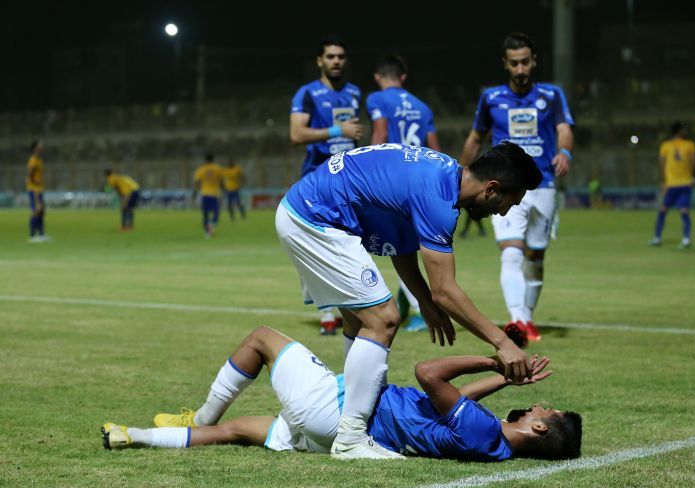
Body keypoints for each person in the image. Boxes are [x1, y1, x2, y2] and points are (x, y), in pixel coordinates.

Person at [269, 141, 542, 460]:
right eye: (510, 202)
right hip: (314, 218)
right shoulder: (439, 199)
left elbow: (399, 242)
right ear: (491, 188)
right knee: (383, 318)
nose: (504, 212)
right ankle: (351, 437)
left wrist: (424, 300)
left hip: (305, 210)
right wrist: (503, 343)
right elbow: (446, 290)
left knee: (359, 318)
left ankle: (360, 415)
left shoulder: (442, 175)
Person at [103, 325, 582, 463]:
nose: (539, 404)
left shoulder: (483, 431)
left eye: (545, 409)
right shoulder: (491, 443)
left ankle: (198, 416)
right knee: (237, 432)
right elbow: (462, 399)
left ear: (539, 427)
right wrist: (506, 378)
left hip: (343, 408)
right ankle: (135, 436)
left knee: (261, 338)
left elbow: (428, 372)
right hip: (332, 433)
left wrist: (495, 360)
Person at [459, 33, 574, 344]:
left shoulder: (552, 95)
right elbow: (475, 137)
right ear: (505, 64)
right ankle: (518, 320)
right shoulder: (491, 98)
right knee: (511, 253)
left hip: (543, 184)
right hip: (505, 187)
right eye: (514, 63)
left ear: (534, 61)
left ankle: (527, 317)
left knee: (535, 254)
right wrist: (459, 174)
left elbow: (564, 129)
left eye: (525, 62)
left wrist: (565, 151)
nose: (520, 68)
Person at [290, 35, 363, 335]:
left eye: (341, 57)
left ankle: (350, 306)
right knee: (313, 244)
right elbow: (297, 134)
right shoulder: (308, 93)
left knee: (349, 244)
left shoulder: (354, 92)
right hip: (316, 180)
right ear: (319, 60)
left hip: (347, 180)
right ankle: (327, 314)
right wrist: (337, 130)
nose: (336, 61)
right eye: (330, 56)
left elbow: (353, 136)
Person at [366, 53, 441, 333]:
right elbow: (434, 148)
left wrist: (368, 169)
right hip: (420, 181)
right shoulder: (422, 106)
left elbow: (380, 133)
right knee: (407, 241)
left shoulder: (377, 99)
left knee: (398, 243)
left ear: (377, 77)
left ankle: (420, 309)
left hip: (392, 181)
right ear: (404, 77)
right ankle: (407, 302)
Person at [651, 121, 695, 249]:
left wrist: (663, 181)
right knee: (684, 211)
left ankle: (657, 238)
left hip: (671, 183)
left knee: (663, 211)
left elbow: (661, 164)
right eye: (684, 129)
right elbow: (693, 162)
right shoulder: (690, 145)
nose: (686, 131)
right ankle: (686, 239)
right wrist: (692, 176)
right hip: (685, 183)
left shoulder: (665, 146)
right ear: (680, 131)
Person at [193, 154, 224, 238]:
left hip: (204, 194)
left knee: (205, 214)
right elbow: (221, 181)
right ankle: (211, 225)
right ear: (213, 159)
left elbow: (197, 182)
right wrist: (223, 190)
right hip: (214, 194)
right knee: (216, 212)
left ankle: (207, 232)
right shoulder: (217, 168)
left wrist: (195, 193)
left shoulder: (201, 169)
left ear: (205, 160)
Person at [26, 140, 50, 242]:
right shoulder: (33, 160)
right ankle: (32, 236)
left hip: (39, 188)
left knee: (41, 211)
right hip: (34, 189)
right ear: (34, 149)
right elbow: (30, 174)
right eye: (39, 147)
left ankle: (41, 234)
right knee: (36, 211)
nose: (41, 148)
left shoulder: (39, 160)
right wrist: (35, 181)